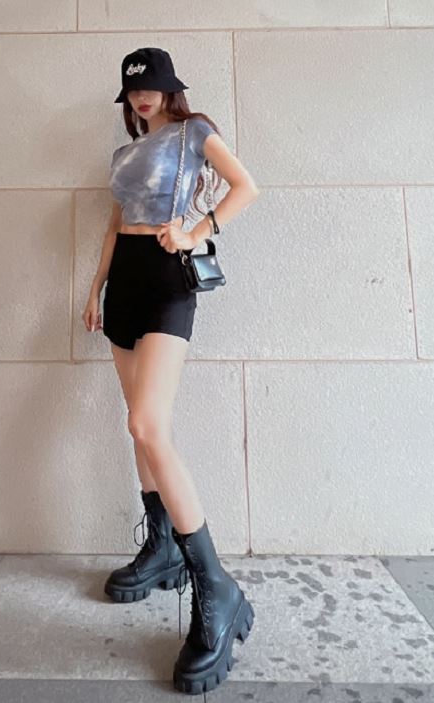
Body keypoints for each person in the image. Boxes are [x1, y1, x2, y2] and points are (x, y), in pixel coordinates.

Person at [82, 47, 260, 695]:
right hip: (124, 285)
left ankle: (216, 585)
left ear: (169, 89)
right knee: (138, 428)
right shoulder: (124, 154)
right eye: (133, 90)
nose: (141, 97)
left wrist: (196, 230)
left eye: (151, 87)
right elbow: (114, 224)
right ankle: (161, 550)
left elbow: (246, 186)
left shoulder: (194, 132)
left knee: (147, 423)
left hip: (165, 282)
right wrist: (95, 287)